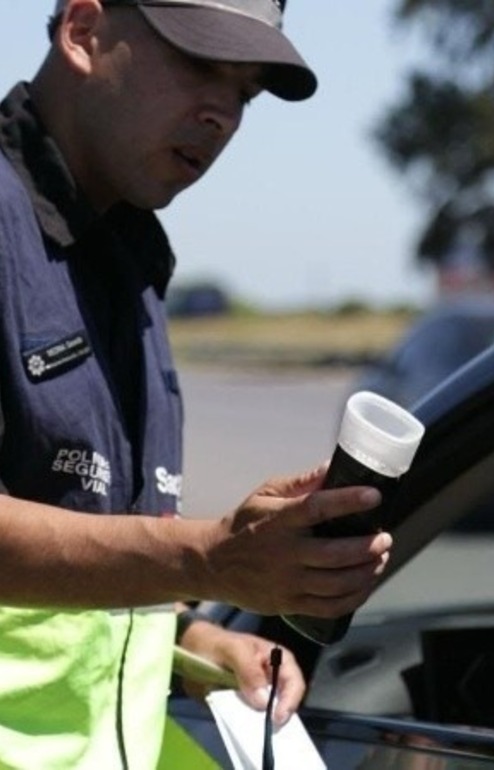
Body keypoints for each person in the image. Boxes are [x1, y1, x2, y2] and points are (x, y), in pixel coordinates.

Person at [0, 1, 393, 767]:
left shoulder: (131, 259)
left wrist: (189, 637)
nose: (220, 115)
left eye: (244, 92)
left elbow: (89, 536)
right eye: (198, 64)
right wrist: (208, 557)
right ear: (83, 31)